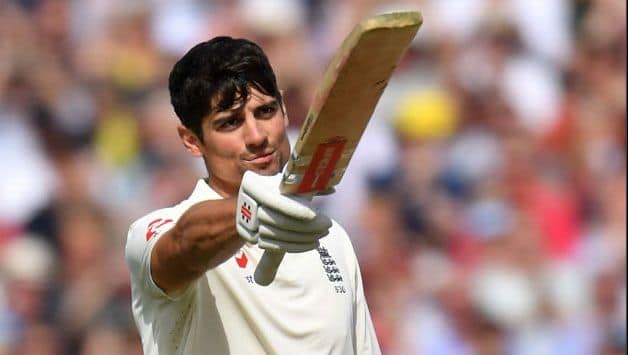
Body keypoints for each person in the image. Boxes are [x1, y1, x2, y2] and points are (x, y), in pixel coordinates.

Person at [125, 36, 381, 355]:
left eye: (265, 111)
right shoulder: (154, 231)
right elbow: (185, 243)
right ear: (191, 140)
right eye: (230, 122)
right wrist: (251, 210)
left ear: (285, 111)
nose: (257, 136)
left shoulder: (332, 239)